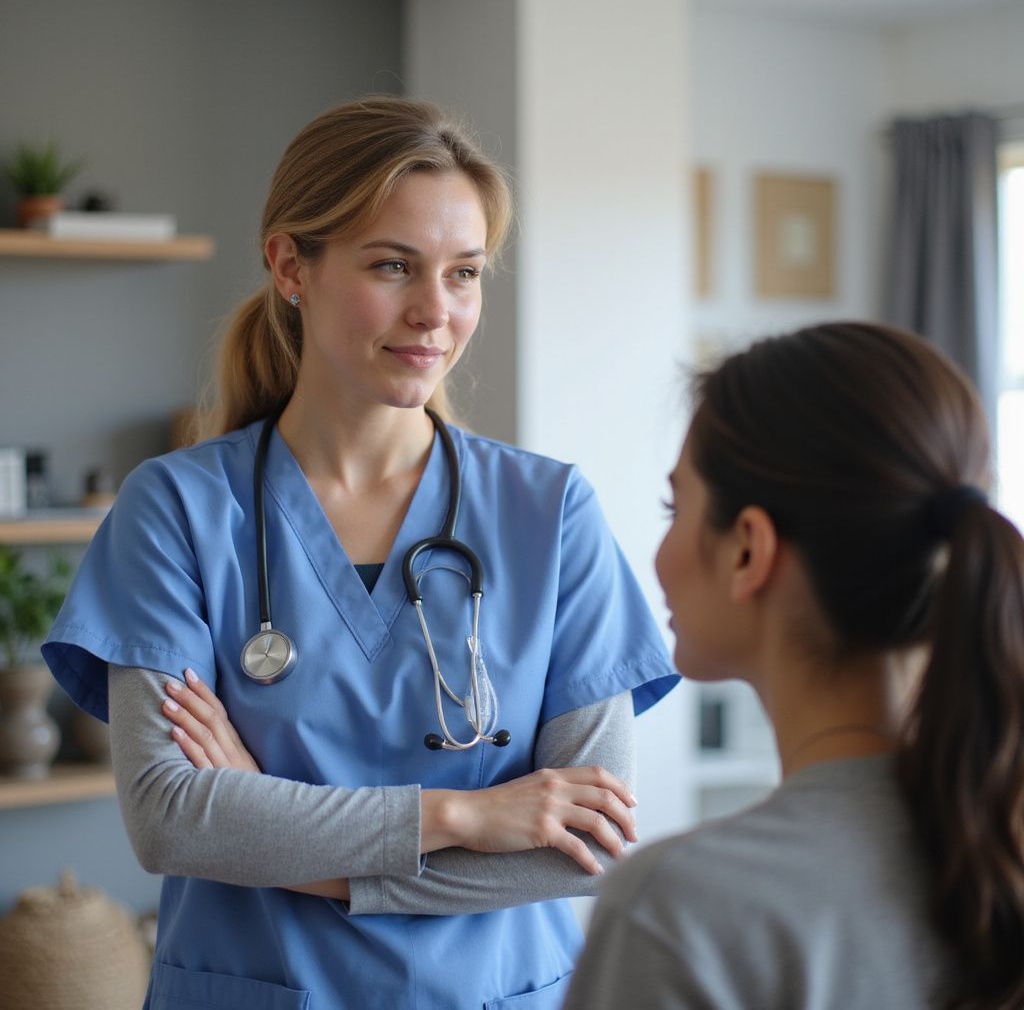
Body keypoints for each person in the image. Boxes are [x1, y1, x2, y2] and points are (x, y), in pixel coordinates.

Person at [42, 96, 677, 1009]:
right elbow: (173, 817)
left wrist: (285, 841)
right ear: (290, 265)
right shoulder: (177, 510)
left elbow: (576, 845)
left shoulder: (552, 513)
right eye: (392, 266)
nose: (435, 312)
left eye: (463, 273)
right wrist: (461, 816)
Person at [563, 321, 1024, 1010]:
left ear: (748, 550)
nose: (657, 556)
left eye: (674, 506)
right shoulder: (997, 854)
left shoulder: (683, 911)